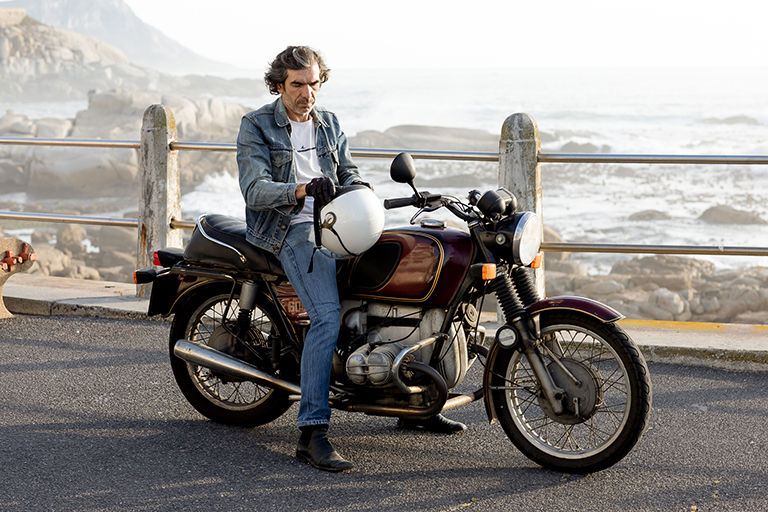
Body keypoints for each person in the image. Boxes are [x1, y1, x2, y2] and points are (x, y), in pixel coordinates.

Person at [237, 46, 465, 473]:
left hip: (338, 219)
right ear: (279, 85)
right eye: (298, 85)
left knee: (403, 290)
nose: (307, 93)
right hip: (289, 226)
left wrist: (360, 189)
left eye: (314, 84)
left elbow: (346, 170)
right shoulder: (256, 126)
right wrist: (302, 191)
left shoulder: (329, 122)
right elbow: (254, 190)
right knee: (325, 317)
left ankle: (412, 401)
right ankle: (312, 432)